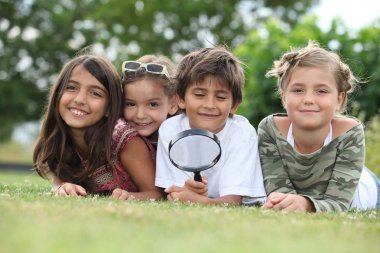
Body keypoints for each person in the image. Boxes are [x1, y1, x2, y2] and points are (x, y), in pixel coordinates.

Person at [259, 41, 380, 212]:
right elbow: (279, 191)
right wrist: (286, 202)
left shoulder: (350, 132)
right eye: (298, 90)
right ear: (284, 96)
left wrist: (306, 205)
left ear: (339, 99)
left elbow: (338, 203)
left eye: (321, 91)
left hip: (362, 189)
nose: (308, 99)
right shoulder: (270, 129)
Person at [33, 53, 163, 200]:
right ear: (58, 94)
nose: (80, 99)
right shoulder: (62, 137)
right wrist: (63, 187)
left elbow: (157, 194)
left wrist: (129, 196)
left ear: (109, 107)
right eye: (71, 87)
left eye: (95, 93)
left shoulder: (124, 139)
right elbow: (59, 182)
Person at [155, 47, 266, 205]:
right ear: (180, 99)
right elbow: (175, 192)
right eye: (199, 95)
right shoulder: (170, 129)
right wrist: (188, 190)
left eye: (220, 97)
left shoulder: (242, 133)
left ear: (234, 105)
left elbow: (233, 201)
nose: (209, 105)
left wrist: (197, 200)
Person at [121, 55, 178, 150]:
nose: (140, 115)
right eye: (131, 104)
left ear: (173, 105)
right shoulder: (116, 141)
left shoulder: (184, 143)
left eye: (153, 104)